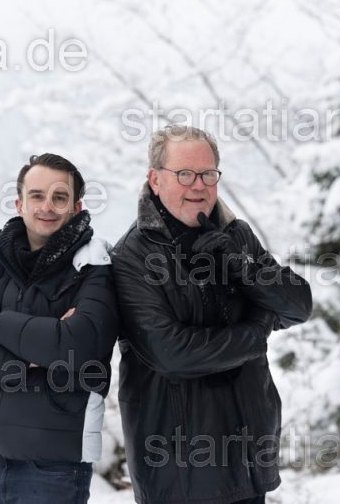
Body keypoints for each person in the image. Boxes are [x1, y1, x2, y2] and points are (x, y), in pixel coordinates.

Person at [111, 125, 313, 504]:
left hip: (249, 457)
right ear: (155, 179)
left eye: (208, 174)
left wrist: (244, 268)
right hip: (180, 472)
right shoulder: (132, 254)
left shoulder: (236, 235)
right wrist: (256, 332)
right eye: (184, 174)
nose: (198, 186)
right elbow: (172, 354)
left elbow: (298, 306)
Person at [0, 153, 119, 504]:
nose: (46, 206)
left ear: (76, 208)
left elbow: (78, 345)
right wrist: (29, 359)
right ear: (20, 204)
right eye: (37, 195)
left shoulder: (94, 267)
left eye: (59, 197)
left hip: (55, 469)